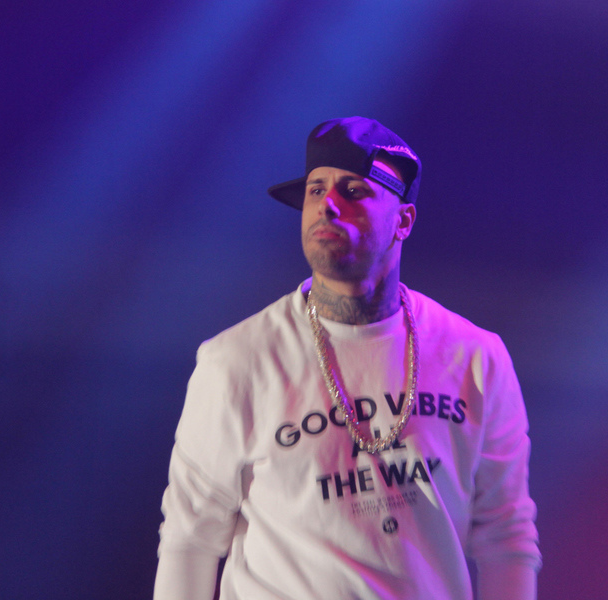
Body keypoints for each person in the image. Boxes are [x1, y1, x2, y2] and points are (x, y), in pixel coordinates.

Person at [153, 117, 541, 600]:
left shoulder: (475, 357)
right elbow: (190, 538)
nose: (327, 205)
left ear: (403, 221)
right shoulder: (235, 362)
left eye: (354, 191)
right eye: (316, 190)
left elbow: (506, 534)